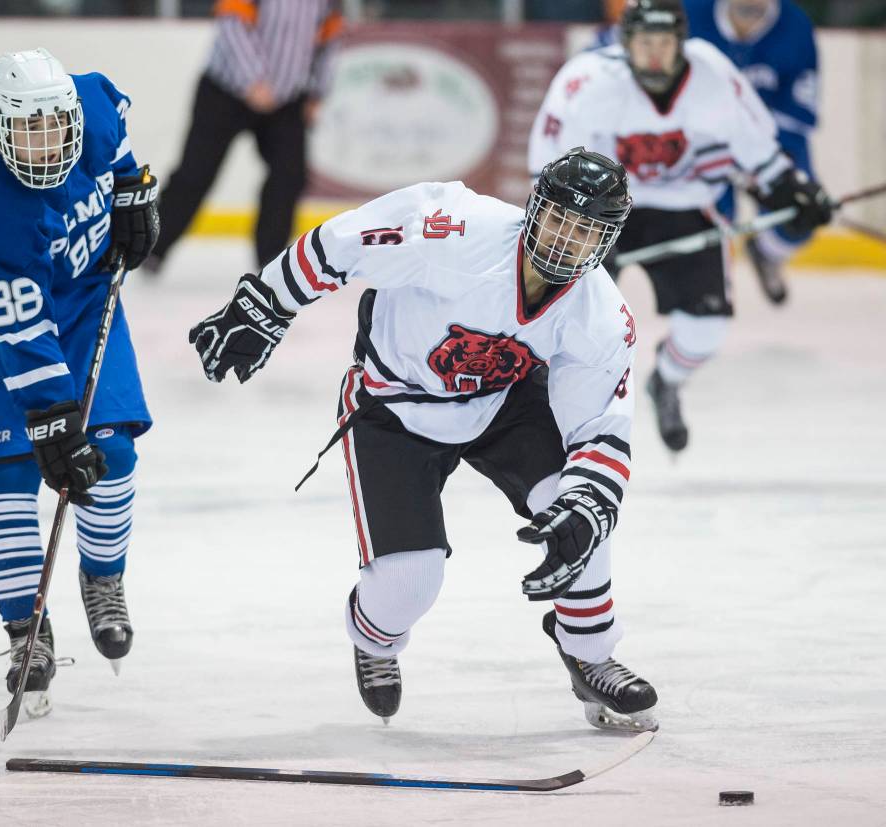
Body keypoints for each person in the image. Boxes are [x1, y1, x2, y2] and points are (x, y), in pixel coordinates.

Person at [188, 147, 659, 733]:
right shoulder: (452, 227)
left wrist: (587, 505)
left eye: (586, 229)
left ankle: (590, 652)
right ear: (533, 209)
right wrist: (266, 305)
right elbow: (339, 242)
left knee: (579, 512)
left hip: (503, 404)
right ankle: (375, 638)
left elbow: (599, 428)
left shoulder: (602, 314)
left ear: (607, 241)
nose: (567, 240)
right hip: (394, 407)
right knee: (411, 583)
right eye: (561, 217)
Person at [0, 48, 160, 703]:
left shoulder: (88, 105)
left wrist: (132, 185)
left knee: (111, 449)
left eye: (52, 127)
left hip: (79, 306)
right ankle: (28, 626)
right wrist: (51, 418)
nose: (43, 144)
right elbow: (19, 334)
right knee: (6, 474)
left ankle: (102, 575)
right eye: (24, 131)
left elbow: (115, 125)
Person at [528, 0, 831, 453]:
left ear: (681, 44)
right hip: (603, 211)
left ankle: (666, 381)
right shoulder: (587, 81)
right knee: (565, 318)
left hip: (685, 207)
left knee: (705, 328)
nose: (654, 54)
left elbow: (761, 156)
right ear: (625, 43)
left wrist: (794, 191)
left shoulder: (712, 74)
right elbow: (547, 170)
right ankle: (549, 407)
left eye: (665, 43)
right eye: (644, 43)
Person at [145, 0, 343, 275]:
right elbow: (231, 24)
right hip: (226, 91)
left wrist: (318, 92)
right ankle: (152, 248)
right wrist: (253, 80)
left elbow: (329, 40)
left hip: (286, 99)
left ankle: (271, 259)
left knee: (289, 175)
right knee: (195, 173)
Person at [685, 0, 820, 304]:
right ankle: (712, 282)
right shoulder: (689, 13)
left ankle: (766, 252)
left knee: (799, 215)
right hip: (703, 140)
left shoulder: (796, 27)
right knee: (708, 217)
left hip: (773, 142)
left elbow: (798, 110)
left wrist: (761, 159)